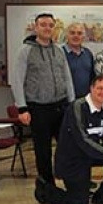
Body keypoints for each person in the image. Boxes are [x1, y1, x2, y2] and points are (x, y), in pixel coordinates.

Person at [34, 75, 103, 204]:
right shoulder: (77, 107)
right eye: (100, 88)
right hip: (73, 159)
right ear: (91, 88)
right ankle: (45, 190)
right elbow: (83, 140)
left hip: (92, 154)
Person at [11, 12, 75, 184]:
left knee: (67, 147)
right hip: (39, 108)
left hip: (61, 106)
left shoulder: (59, 50)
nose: (47, 28)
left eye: (51, 25)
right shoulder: (25, 51)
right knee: (43, 150)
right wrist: (22, 108)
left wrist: (72, 102)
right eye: (43, 25)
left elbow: (67, 77)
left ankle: (71, 181)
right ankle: (48, 186)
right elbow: (17, 80)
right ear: (36, 27)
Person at [63, 23, 94, 98]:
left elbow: (92, 76)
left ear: (83, 37)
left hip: (86, 98)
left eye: (79, 33)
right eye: (72, 33)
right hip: (66, 99)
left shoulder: (88, 53)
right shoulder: (60, 53)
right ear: (67, 35)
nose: (76, 36)